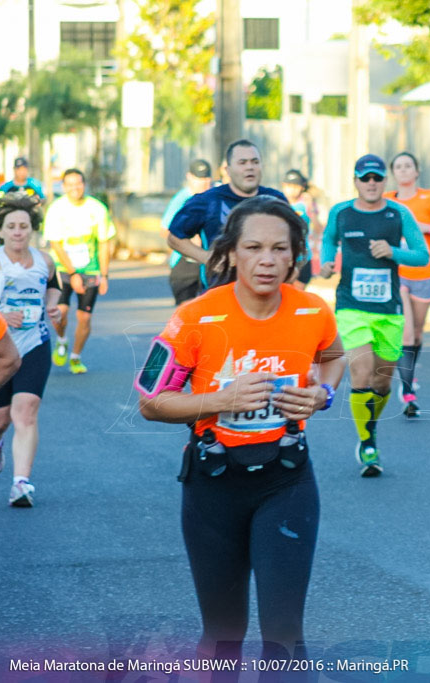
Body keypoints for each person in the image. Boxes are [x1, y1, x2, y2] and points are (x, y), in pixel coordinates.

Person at [138, 196, 346, 668]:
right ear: (231, 253)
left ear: (295, 254)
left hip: (285, 480)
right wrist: (220, 401)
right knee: (224, 631)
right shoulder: (194, 317)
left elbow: (333, 358)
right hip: (214, 485)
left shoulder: (312, 311)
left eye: (279, 248)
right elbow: (151, 402)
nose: (267, 260)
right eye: (253, 247)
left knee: (284, 631)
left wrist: (323, 394)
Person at [318, 154, 429, 476]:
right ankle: (367, 443)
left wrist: (392, 252)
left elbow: (421, 256)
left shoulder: (399, 213)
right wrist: (326, 262)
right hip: (351, 307)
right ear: (354, 180)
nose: (370, 183)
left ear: (384, 182)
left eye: (376, 178)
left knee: (381, 381)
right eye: (364, 178)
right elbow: (328, 239)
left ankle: (371, 425)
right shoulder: (341, 212)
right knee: (362, 373)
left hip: (388, 311)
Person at [0, 192, 61, 507]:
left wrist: (52, 306)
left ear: (32, 229)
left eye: (23, 226)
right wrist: (0, 316)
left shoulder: (45, 260)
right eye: (11, 226)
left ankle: (21, 484)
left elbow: (55, 285)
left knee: (25, 412)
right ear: (0, 231)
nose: (17, 232)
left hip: (35, 342)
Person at [167, 140, 287, 294]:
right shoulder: (208, 201)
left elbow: (294, 240)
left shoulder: (275, 200)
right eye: (242, 162)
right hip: (219, 293)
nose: (249, 167)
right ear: (227, 170)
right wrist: (208, 258)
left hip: (267, 294)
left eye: (255, 162)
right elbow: (174, 238)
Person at [384, 151, 430, 418]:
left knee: (419, 334)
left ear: (416, 171)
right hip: (397, 272)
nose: (403, 170)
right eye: (398, 166)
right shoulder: (387, 200)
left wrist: (424, 228)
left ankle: (408, 376)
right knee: (408, 334)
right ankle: (408, 390)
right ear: (394, 172)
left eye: (408, 166)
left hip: (425, 272)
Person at [42, 168, 115, 374]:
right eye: (71, 184)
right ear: (64, 187)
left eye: (79, 183)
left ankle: (75, 357)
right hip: (62, 270)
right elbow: (55, 244)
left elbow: (103, 243)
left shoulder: (97, 208)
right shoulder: (57, 209)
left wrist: (105, 275)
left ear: (84, 184)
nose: (75, 188)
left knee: (85, 317)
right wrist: (72, 273)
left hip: (90, 271)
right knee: (60, 312)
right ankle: (62, 339)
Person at [161, 159, 214, 305]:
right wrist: (190, 242)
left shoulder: (215, 197)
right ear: (189, 177)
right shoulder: (181, 200)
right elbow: (165, 230)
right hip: (186, 264)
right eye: (199, 178)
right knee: (187, 312)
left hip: (208, 265)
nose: (204, 182)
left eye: (207, 178)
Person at [281, 169, 317, 291]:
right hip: (285, 258)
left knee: (296, 294)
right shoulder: (278, 204)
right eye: (289, 186)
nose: (292, 189)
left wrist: (311, 209)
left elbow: (318, 228)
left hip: (303, 259)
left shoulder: (307, 204)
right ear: (283, 186)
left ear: (302, 187)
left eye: (296, 186)